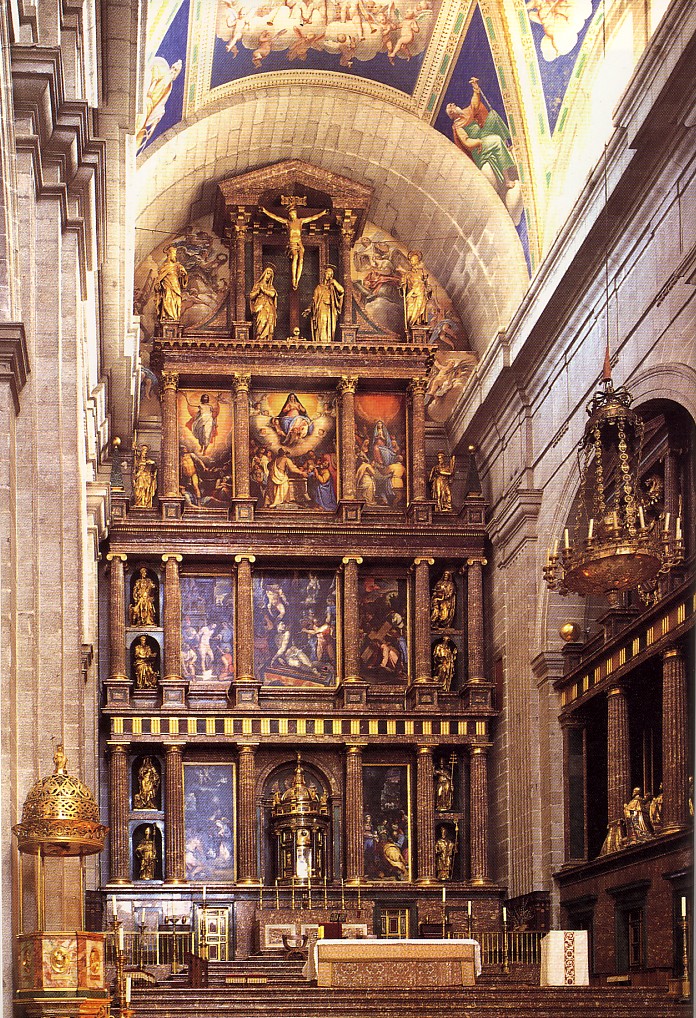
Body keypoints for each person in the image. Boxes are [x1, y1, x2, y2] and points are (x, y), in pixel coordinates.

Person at [446, 78, 518, 192]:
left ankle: (507, 145)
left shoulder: (465, 113)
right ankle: (507, 180)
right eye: (453, 107)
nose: (455, 106)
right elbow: (467, 142)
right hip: (478, 147)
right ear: (452, 113)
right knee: (496, 141)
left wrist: (475, 89)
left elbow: (474, 104)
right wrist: (479, 142)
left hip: (482, 135)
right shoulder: (458, 127)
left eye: (454, 105)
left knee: (493, 116)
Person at [261, 199, 328, 289]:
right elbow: (276, 217)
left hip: (299, 243)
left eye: (293, 214)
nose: (292, 216)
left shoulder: (300, 221)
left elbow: (312, 218)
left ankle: (297, 280)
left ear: (295, 214)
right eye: (291, 214)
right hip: (292, 243)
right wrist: (265, 211)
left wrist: (323, 213)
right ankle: (294, 279)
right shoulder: (288, 223)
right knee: (295, 257)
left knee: (301, 260)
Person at [307, 266, 344, 343]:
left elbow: (341, 291)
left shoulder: (332, 288)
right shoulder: (319, 287)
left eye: (331, 274)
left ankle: (329, 341)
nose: (329, 276)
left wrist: (334, 282)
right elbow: (314, 300)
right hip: (321, 308)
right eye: (328, 273)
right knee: (323, 323)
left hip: (330, 309)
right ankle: (322, 342)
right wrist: (309, 308)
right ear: (324, 274)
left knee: (330, 326)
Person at [155, 245, 188, 321]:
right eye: (174, 254)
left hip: (176, 286)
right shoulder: (164, 267)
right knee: (168, 299)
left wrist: (184, 275)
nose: (175, 256)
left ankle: (175, 317)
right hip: (167, 286)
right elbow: (159, 279)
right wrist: (159, 285)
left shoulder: (178, 266)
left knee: (177, 301)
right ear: (169, 255)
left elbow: (183, 278)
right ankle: (168, 316)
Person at [400, 249, 430, 328]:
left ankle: (418, 323)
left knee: (420, 308)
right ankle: (410, 324)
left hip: (421, 292)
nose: (413, 261)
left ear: (418, 260)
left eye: (415, 259)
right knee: (410, 311)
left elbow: (427, 284)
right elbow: (403, 284)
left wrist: (428, 288)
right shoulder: (407, 274)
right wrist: (403, 286)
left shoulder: (422, 272)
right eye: (411, 260)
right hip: (411, 294)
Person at [249, 266, 277, 340]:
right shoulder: (257, 285)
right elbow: (251, 296)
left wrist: (264, 290)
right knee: (262, 320)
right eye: (267, 274)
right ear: (264, 274)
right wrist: (258, 291)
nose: (268, 276)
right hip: (260, 306)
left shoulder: (270, 286)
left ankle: (267, 338)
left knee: (270, 322)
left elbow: (273, 294)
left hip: (269, 306)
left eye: (270, 275)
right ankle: (260, 337)